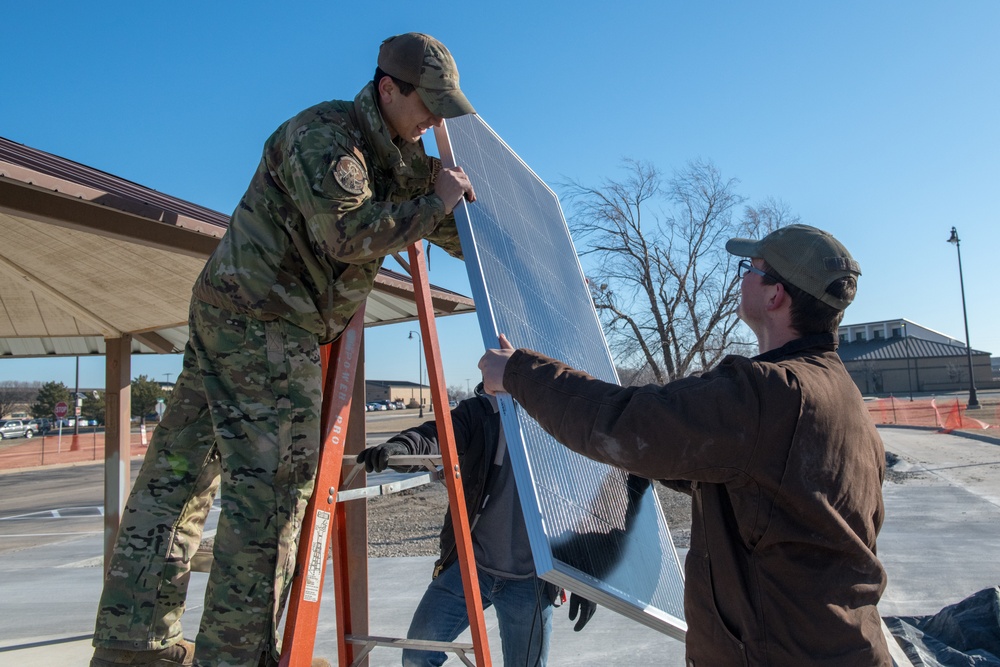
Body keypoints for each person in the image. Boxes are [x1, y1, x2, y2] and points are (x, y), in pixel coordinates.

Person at [90, 33, 477, 667]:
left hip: (237, 315)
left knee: (178, 478)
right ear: (388, 88)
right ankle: (236, 656)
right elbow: (349, 234)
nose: (436, 119)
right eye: (428, 103)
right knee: (272, 489)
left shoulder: (400, 156)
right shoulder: (326, 139)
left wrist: (485, 226)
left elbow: (448, 224)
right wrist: (435, 201)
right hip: (262, 322)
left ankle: (133, 645)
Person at [478, 224, 892, 666]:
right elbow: (751, 488)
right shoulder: (844, 400)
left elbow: (628, 423)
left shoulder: (768, 393)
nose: (742, 278)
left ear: (776, 296)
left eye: (750, 269)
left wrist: (519, 373)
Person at [357, 383, 596, 667]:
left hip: (530, 581)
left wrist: (585, 574)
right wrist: (401, 448)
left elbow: (589, 497)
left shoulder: (564, 418)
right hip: (472, 568)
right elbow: (436, 435)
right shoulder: (481, 412)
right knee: (417, 655)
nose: (485, 367)